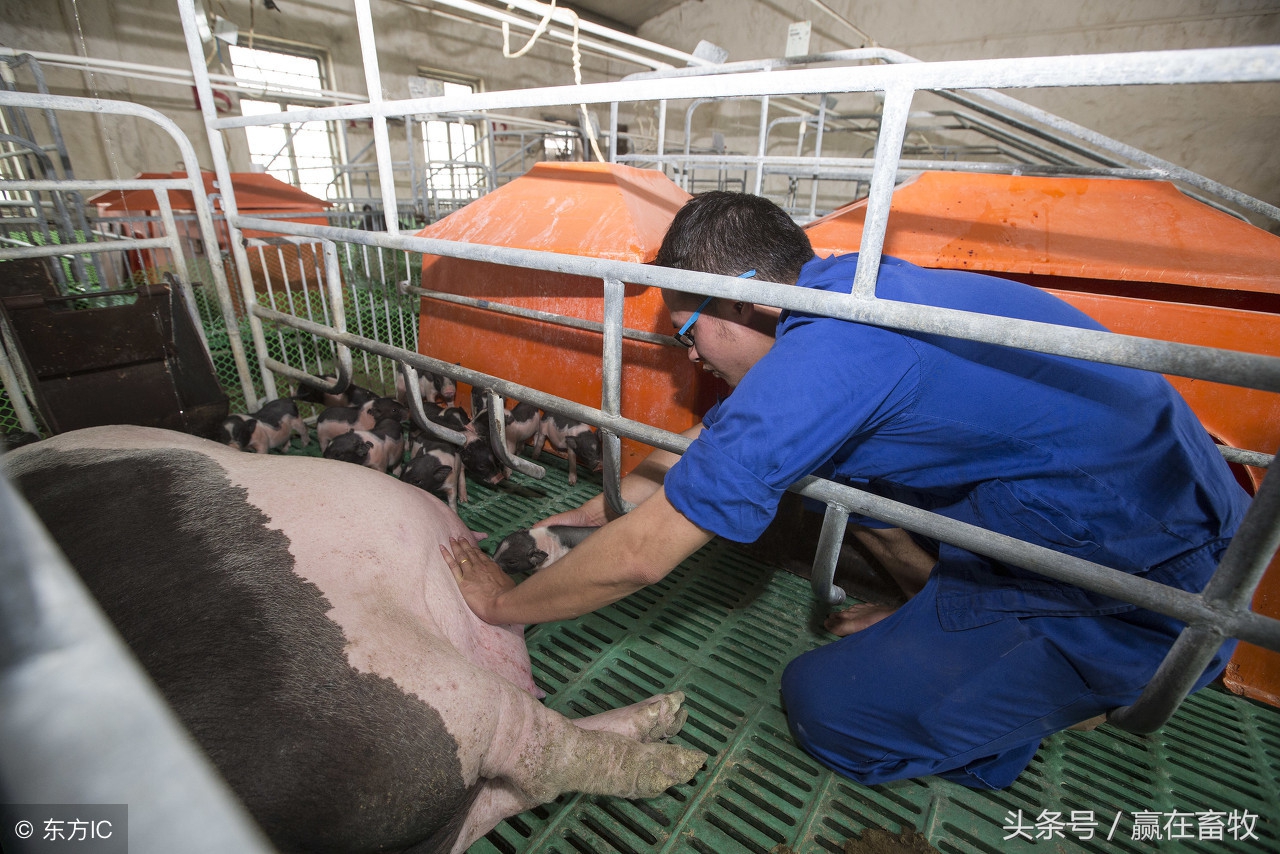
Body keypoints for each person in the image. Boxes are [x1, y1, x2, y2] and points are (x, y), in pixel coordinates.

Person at [442, 191, 1250, 790]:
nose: (692, 359)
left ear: (749, 297)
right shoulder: (846, 293)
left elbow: (645, 558)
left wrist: (501, 604)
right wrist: (572, 520)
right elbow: (707, 450)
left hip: (1144, 589)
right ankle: (949, 625)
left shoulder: (822, 364)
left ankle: (1086, 692)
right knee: (856, 487)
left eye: (689, 334)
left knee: (829, 708)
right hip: (1105, 515)